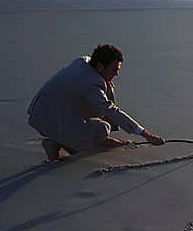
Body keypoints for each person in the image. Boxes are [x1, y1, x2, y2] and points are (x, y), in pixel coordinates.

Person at [27, 44, 165, 162]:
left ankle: (91, 138)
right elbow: (110, 110)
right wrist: (146, 135)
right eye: (114, 70)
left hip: (50, 108)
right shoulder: (89, 82)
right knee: (102, 128)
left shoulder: (85, 62)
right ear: (99, 66)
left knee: (108, 87)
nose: (116, 74)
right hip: (48, 117)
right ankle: (55, 143)